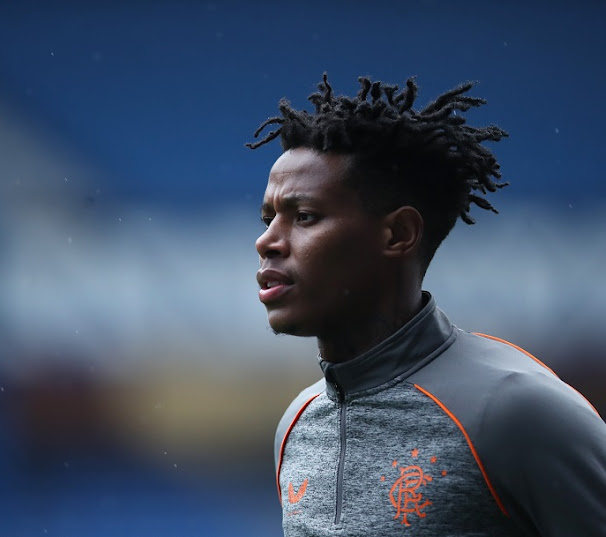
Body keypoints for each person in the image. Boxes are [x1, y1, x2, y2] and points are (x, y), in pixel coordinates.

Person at [247, 73, 606, 536]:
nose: (267, 241)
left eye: (305, 217)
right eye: (268, 217)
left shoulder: (516, 410)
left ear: (397, 234)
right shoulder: (297, 423)